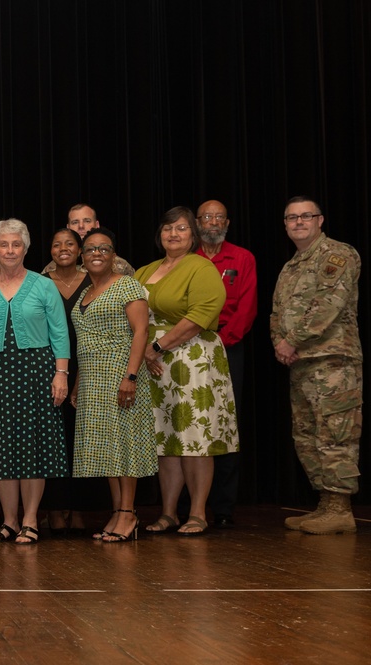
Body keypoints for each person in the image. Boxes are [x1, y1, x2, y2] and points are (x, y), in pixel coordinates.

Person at [0, 219, 70, 545]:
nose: (10, 250)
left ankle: (29, 520)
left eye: (16, 244)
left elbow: (60, 332)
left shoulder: (44, 285)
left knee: (32, 447)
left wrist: (61, 373)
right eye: (4, 245)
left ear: (25, 248)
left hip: (37, 373)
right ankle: (8, 521)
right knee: (1, 448)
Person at [136, 206, 237, 536]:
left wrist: (157, 346)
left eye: (180, 229)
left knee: (194, 438)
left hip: (192, 360)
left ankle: (197, 513)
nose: (173, 234)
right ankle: (168, 513)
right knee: (166, 440)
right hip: (154, 364)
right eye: (167, 228)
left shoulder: (201, 267)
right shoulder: (145, 270)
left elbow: (201, 314)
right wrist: (144, 352)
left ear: (193, 235)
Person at [272, 196, 362, 535]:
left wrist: (291, 340)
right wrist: (281, 345)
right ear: (285, 224)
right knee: (307, 434)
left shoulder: (338, 254)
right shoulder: (291, 266)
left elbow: (329, 304)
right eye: (291, 217)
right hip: (301, 363)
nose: (298, 222)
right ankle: (326, 505)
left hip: (333, 360)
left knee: (335, 432)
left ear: (320, 220)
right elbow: (276, 313)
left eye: (305, 216)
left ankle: (341, 507)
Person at [70, 229, 156, 542]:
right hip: (93, 377)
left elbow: (141, 331)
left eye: (103, 248)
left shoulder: (127, 285)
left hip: (120, 372)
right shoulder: (85, 293)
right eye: (90, 249)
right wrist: (79, 381)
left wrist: (131, 376)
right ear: (82, 255)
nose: (96, 253)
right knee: (107, 449)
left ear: (113, 254)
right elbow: (84, 340)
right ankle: (117, 510)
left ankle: (128, 513)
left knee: (125, 444)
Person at [193, 200, 257, 528]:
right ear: (197, 221)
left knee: (225, 423)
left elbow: (246, 309)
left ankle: (223, 507)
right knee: (191, 424)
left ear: (227, 222)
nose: (213, 222)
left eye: (219, 217)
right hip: (188, 349)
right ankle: (191, 507)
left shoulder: (242, 258)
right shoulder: (188, 259)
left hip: (228, 348)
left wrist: (221, 341)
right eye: (207, 216)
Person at [41, 228, 97, 535]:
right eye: (56, 243)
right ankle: (53, 509)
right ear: (50, 250)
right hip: (49, 369)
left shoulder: (94, 280)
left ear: (80, 250)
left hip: (88, 368)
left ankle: (78, 508)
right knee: (53, 441)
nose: (63, 248)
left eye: (70, 244)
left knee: (80, 441)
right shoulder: (41, 282)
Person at [41, 204, 134, 276]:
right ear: (68, 228)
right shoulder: (52, 268)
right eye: (75, 222)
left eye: (87, 221)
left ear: (97, 225)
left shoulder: (119, 265)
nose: (81, 226)